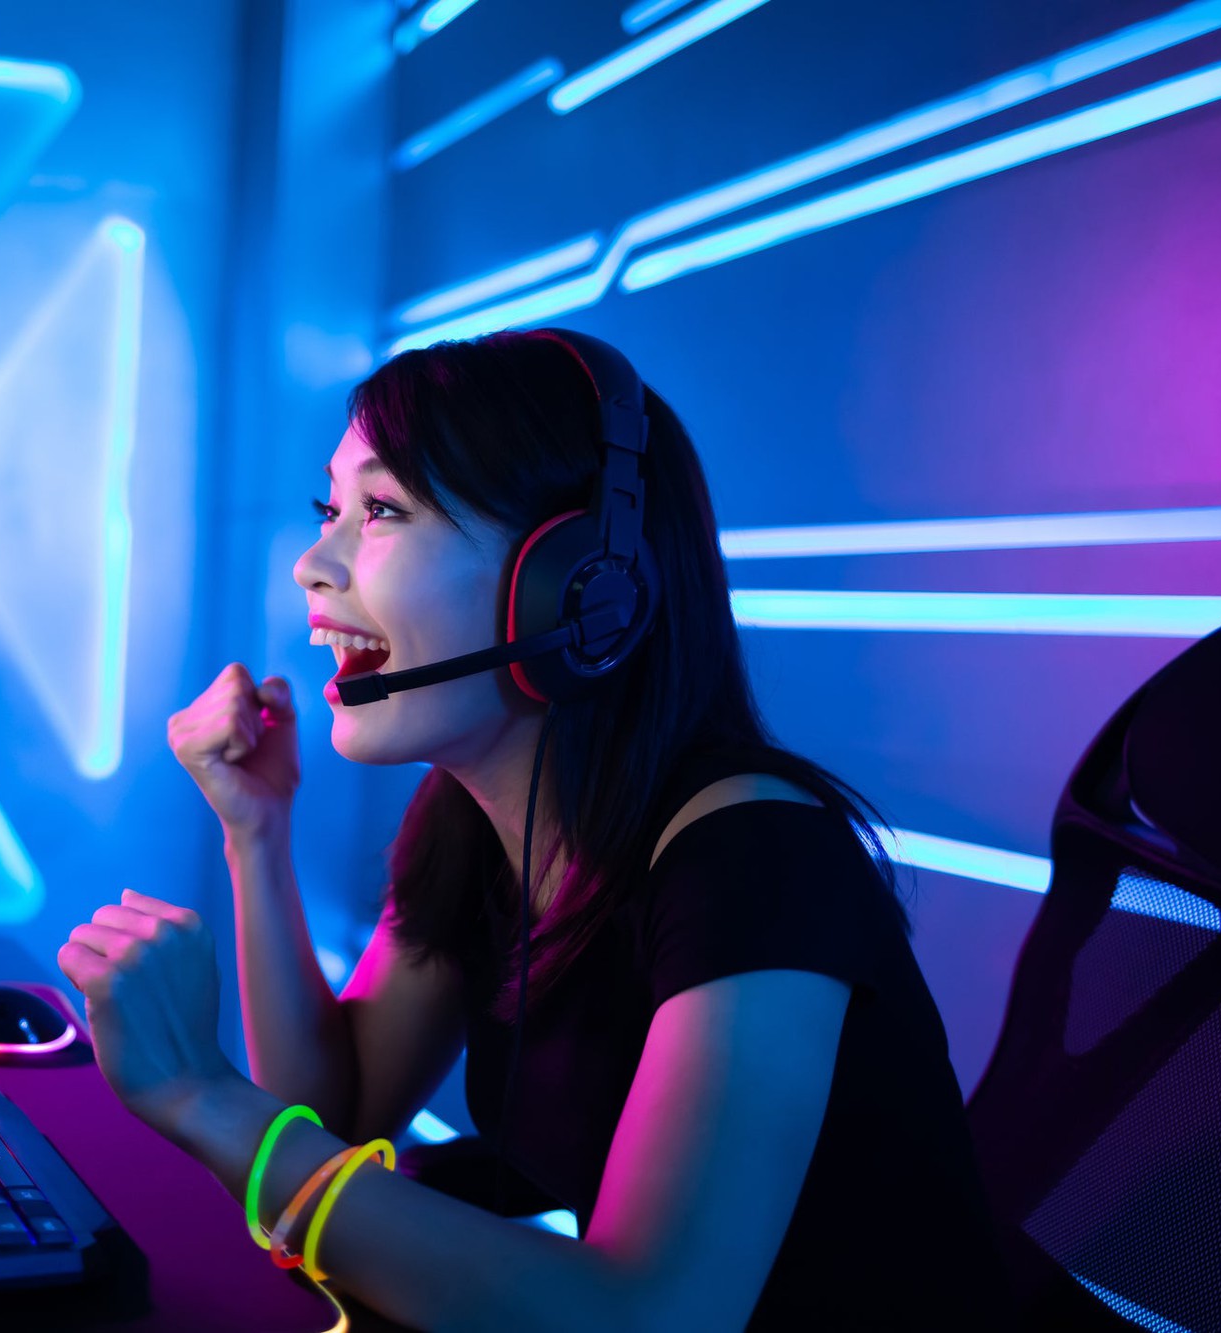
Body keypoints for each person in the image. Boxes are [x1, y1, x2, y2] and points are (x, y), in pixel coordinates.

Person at [56, 330, 1013, 1330]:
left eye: (379, 510)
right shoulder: (477, 822)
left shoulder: (756, 860)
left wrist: (205, 1097)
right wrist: (256, 833)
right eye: (328, 510)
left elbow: (653, 1318)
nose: (311, 563)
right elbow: (334, 1116)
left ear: (573, 588)